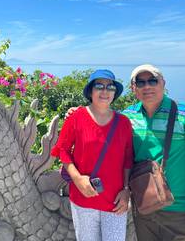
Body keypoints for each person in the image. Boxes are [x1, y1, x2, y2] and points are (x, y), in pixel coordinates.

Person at [123, 64, 185, 241]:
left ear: (163, 83)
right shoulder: (127, 117)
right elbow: (102, 126)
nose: (147, 86)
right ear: (133, 88)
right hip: (144, 208)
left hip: (178, 210)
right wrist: (76, 114)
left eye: (152, 81)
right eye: (140, 82)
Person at [51, 69, 134, 241]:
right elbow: (62, 150)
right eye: (99, 86)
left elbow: (128, 160)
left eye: (110, 87)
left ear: (114, 93)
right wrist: (78, 179)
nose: (105, 91)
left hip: (115, 201)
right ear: (90, 91)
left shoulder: (123, 123)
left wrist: (126, 191)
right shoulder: (76, 117)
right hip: (83, 198)